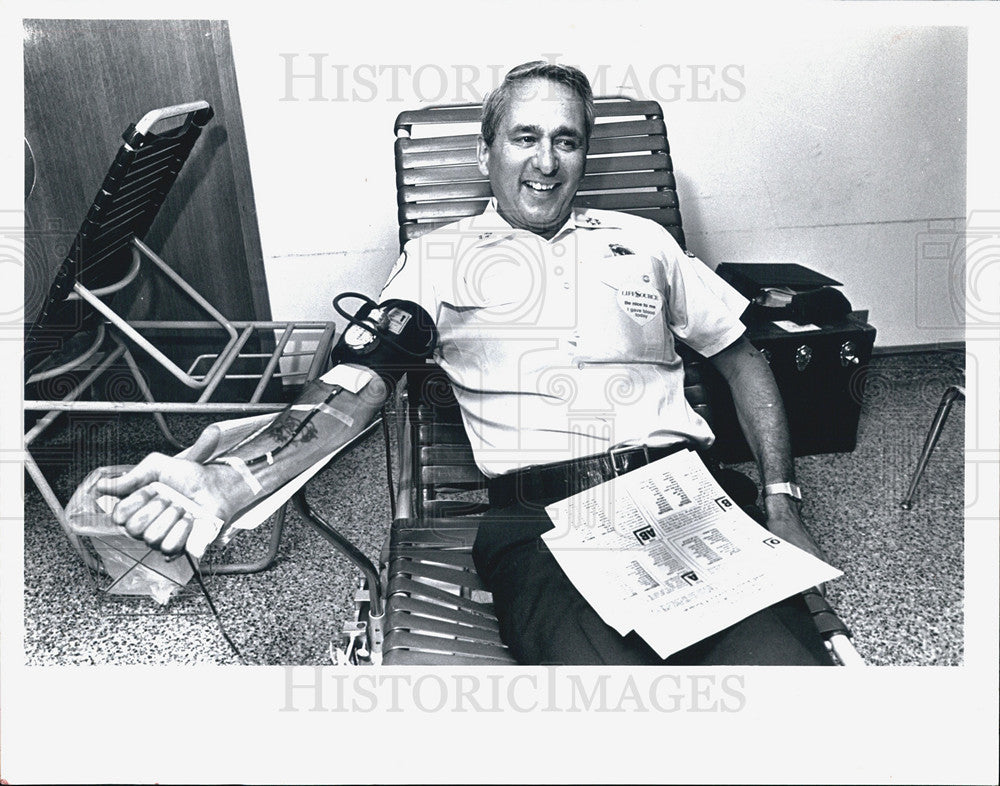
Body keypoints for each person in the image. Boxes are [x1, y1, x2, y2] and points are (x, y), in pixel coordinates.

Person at [96, 61, 829, 665]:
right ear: (486, 153)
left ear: (585, 154)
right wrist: (230, 481)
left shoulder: (645, 241)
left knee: (783, 684)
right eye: (525, 138)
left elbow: (740, 355)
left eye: (567, 142)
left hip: (683, 500)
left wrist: (779, 498)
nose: (546, 162)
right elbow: (360, 380)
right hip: (546, 526)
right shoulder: (440, 259)